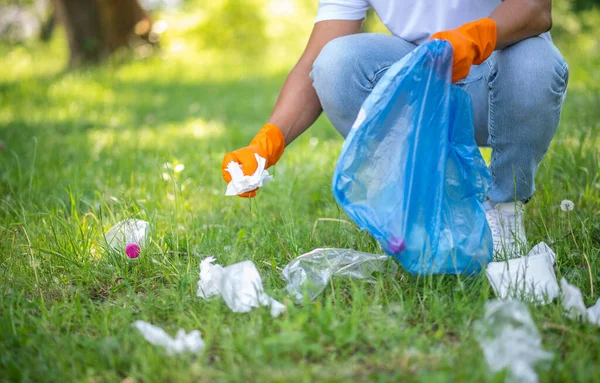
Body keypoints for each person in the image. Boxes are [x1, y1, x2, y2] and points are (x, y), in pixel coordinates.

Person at [221, 0, 569, 260]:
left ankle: (504, 209)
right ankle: (435, 202)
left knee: (536, 66)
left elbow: (536, 8)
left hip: (497, 69)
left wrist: (474, 37)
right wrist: (270, 140)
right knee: (335, 63)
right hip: (420, 79)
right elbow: (315, 60)